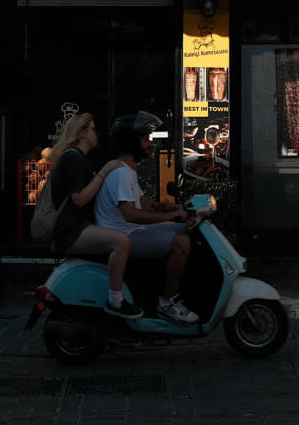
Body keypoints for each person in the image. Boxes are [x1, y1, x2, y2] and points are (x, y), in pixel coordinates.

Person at [94, 113, 199, 325]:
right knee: (181, 241)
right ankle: (168, 302)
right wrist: (169, 216)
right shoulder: (121, 173)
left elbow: (142, 201)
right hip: (125, 234)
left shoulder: (127, 170)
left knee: (182, 230)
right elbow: (131, 214)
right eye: (145, 139)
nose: (149, 144)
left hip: (131, 231)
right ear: (132, 142)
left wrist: (166, 206)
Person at [46, 113, 142, 320]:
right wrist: (105, 171)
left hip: (79, 226)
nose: (97, 133)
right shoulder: (73, 157)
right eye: (93, 129)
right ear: (82, 133)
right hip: (72, 230)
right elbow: (79, 199)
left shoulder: (79, 159)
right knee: (121, 241)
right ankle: (115, 300)